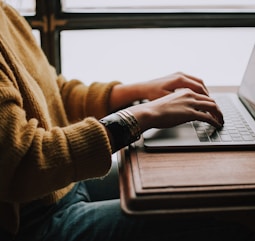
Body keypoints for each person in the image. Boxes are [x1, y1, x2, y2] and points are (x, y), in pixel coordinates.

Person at [0, 1, 254, 241]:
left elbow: (54, 94)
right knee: (227, 216)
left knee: (201, 186)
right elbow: (25, 162)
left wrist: (139, 90)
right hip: (34, 223)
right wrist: (140, 116)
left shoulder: (5, 13)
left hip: (59, 186)